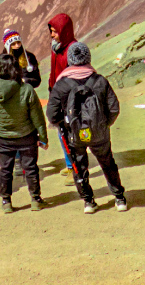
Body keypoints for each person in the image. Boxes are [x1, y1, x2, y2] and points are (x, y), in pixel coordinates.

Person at [46, 42, 128, 214]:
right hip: (99, 132)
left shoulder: (61, 85)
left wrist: (67, 124)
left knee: (79, 166)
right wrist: (104, 124)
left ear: (70, 60)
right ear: (88, 57)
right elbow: (114, 108)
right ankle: (119, 198)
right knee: (108, 163)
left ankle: (89, 202)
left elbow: (52, 114)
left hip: (74, 135)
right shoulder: (100, 81)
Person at [0, 53, 48, 213]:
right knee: (30, 168)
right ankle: (36, 200)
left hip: (3, 138)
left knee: (5, 170)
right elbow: (37, 117)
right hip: (27, 136)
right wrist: (43, 137)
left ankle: (6, 202)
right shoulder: (27, 89)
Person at [46, 13, 78, 183]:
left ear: (64, 31)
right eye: (51, 31)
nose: (52, 35)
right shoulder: (56, 48)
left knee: (71, 132)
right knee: (61, 132)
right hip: (57, 95)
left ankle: (76, 169)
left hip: (70, 98)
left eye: (55, 31)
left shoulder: (73, 49)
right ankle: (69, 164)